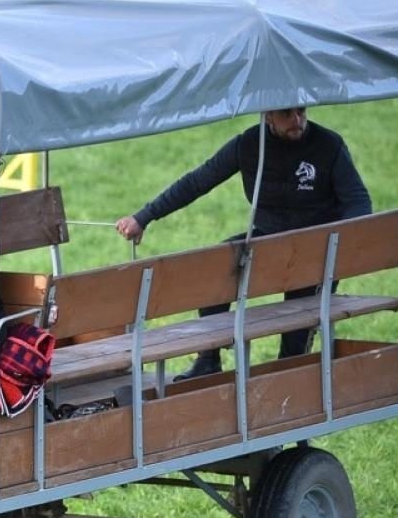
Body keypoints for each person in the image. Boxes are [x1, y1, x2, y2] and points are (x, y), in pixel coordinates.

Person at [114, 106, 372, 380]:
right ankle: (208, 359)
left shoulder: (328, 145)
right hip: (269, 243)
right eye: (286, 114)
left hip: (317, 254)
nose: (297, 121)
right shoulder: (249, 145)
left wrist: (344, 246)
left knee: (295, 343)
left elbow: (358, 202)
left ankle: (289, 377)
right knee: (214, 266)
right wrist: (144, 217)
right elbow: (197, 182)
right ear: (267, 116)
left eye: (301, 112)